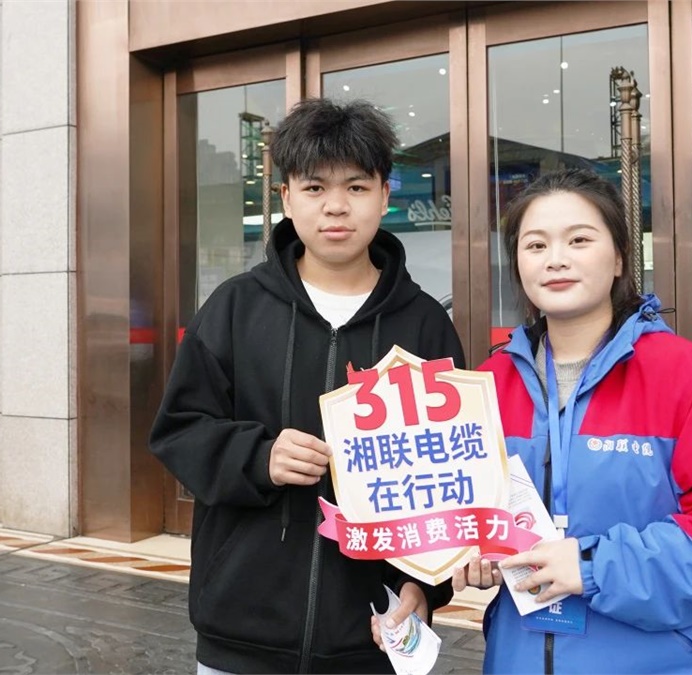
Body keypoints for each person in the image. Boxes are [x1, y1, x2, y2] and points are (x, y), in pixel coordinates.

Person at [149, 98, 463, 674]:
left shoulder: (423, 323)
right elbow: (180, 431)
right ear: (287, 197)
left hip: (368, 636)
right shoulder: (235, 307)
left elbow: (447, 479)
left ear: (384, 195)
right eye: (315, 188)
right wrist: (259, 456)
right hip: (240, 636)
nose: (336, 206)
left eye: (356, 187)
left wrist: (423, 586)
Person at [454, 169, 692, 674]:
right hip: (518, 656)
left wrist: (591, 565)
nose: (556, 259)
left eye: (579, 240)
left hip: (661, 661)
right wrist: (470, 554)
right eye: (535, 245)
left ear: (619, 258)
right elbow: (466, 510)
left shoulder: (690, 377)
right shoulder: (487, 384)